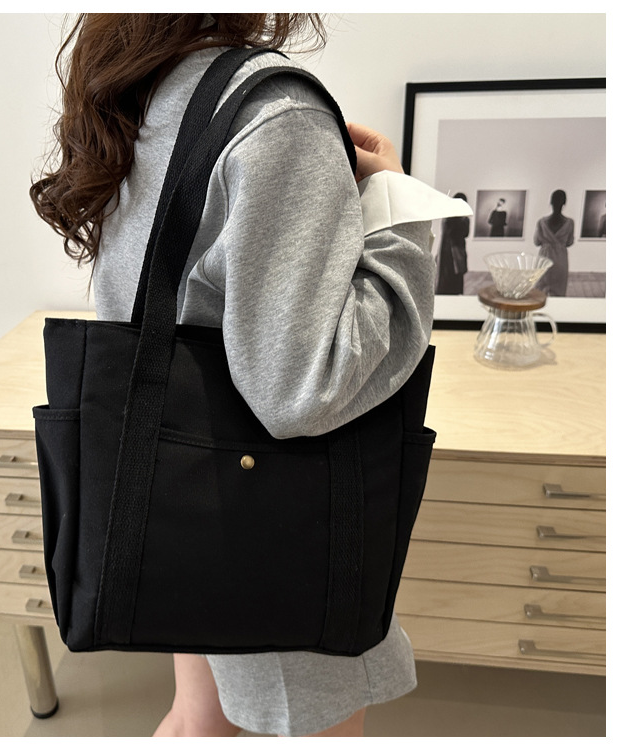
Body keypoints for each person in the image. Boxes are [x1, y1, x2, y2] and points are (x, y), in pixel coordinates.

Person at [30, 13, 470, 738]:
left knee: (195, 723)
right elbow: (304, 389)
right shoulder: (276, 116)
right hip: (277, 524)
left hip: (189, 503)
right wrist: (396, 205)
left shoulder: (144, 89)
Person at [535, 189, 574, 296]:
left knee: (540, 290)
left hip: (544, 257)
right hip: (560, 258)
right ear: (564, 203)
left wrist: (547, 242)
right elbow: (569, 242)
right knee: (559, 291)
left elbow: (537, 242)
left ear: (551, 202)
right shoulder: (570, 223)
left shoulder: (542, 222)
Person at [435, 192, 470, 294]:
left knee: (452, 275)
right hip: (451, 251)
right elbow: (459, 233)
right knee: (451, 274)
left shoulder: (451, 217)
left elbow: (464, 233)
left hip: (452, 250)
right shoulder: (457, 218)